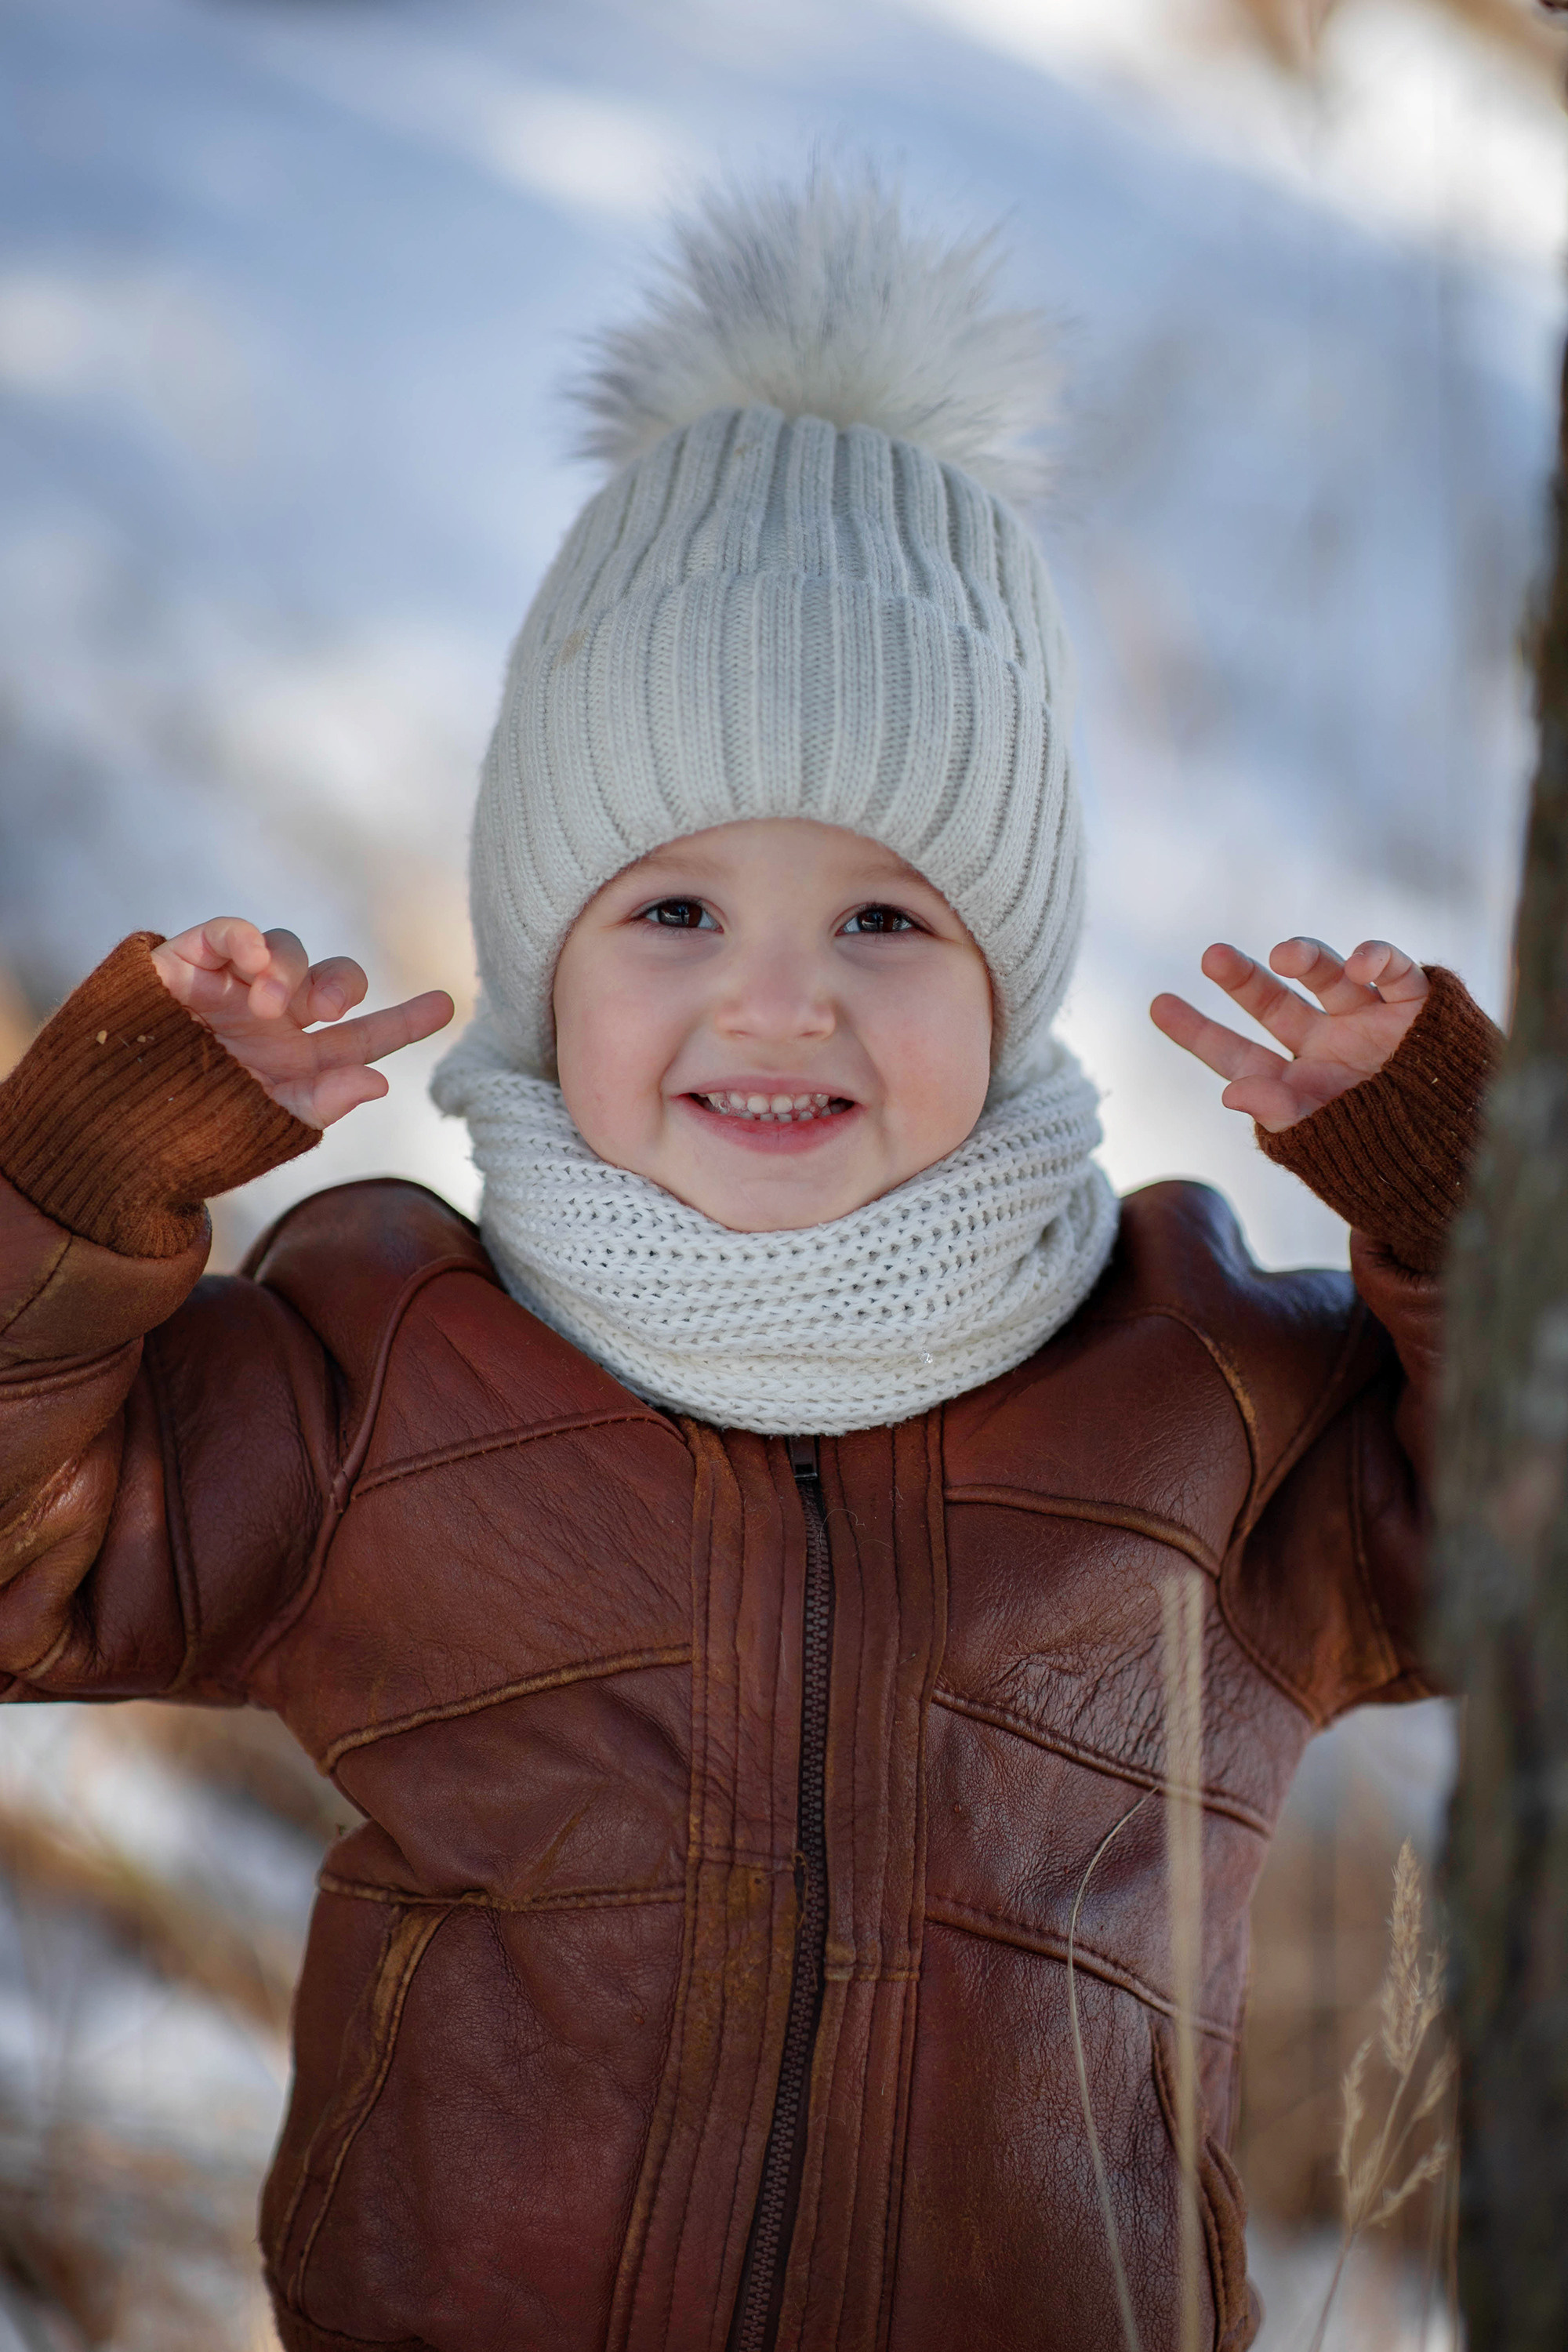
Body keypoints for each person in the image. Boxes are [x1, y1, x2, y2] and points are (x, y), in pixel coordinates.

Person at [0, 171, 1500, 2352]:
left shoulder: (1204, 1403)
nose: (779, 1005)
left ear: (1014, 983)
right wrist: (89, 1169)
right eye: (675, 912)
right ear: (543, 964)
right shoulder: (392, 1378)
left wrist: (1463, 1194)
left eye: (887, 918)